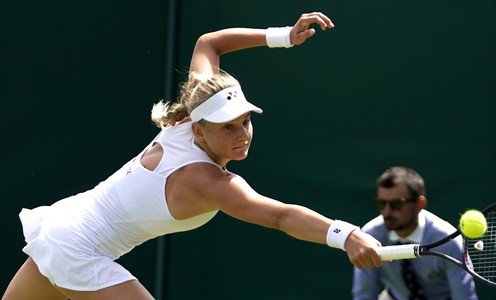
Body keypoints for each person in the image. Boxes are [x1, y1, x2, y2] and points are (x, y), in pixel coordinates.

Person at [3, 12, 384, 300]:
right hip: (77, 245)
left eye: (245, 122)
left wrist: (286, 36)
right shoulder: (208, 181)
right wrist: (346, 234)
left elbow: (208, 44)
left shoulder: (196, 106)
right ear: (198, 129)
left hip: (63, 228)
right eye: (228, 128)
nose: (242, 136)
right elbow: (281, 216)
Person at [352, 166, 478, 300]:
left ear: (420, 203)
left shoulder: (449, 241)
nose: (387, 212)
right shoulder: (369, 236)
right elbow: (364, 295)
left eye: (397, 204)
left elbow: (464, 298)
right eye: (381, 204)